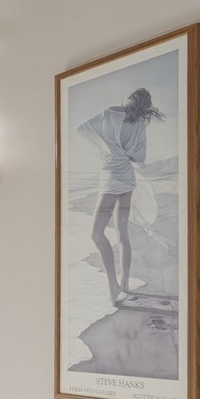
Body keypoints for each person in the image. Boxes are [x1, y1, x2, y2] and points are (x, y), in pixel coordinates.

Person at [79, 86, 163, 306]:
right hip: (127, 178)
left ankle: (112, 285)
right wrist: (122, 151)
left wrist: (108, 148)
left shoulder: (109, 113)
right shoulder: (140, 123)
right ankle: (124, 283)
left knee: (96, 234)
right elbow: (140, 156)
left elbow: (84, 129)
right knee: (122, 233)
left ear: (130, 97)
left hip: (110, 177)